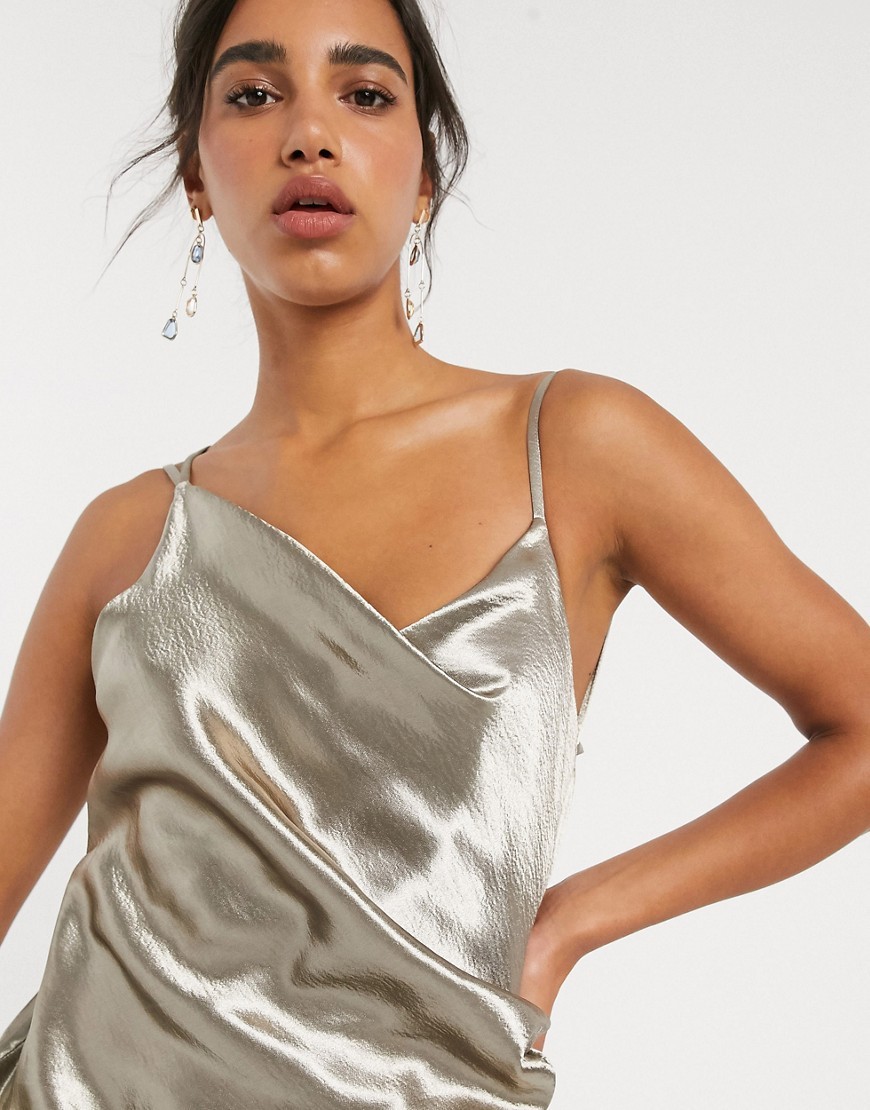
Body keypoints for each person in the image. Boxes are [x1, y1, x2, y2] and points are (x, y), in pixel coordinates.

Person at [1, 0, 868, 1106]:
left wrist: (568, 923)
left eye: (364, 95)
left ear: (425, 175)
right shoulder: (125, 537)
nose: (309, 135)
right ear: (196, 175)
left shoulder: (577, 448)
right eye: (255, 95)